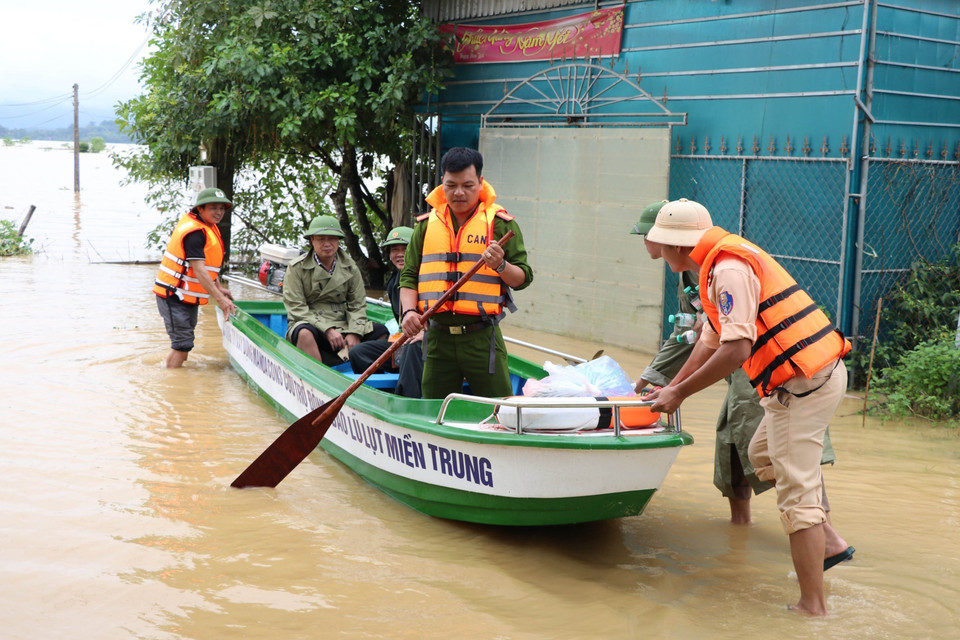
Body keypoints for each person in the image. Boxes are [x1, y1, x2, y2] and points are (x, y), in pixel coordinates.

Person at [643, 198, 854, 616]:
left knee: (796, 493)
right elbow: (708, 341)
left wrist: (680, 395)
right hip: (792, 384)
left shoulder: (728, 270)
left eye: (661, 243)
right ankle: (826, 540)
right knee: (760, 454)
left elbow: (736, 348)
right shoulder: (714, 265)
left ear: (678, 245)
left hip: (805, 383)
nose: (658, 250)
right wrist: (670, 384)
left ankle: (813, 606)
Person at [398, 147, 533, 399]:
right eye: (451, 185)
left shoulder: (501, 223)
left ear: (480, 183)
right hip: (437, 338)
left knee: (498, 411)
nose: (459, 192)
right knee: (434, 411)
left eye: (468, 185)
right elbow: (408, 277)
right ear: (442, 183)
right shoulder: (426, 225)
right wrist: (408, 312)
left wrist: (500, 265)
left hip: (481, 337)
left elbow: (523, 278)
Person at [283, 215, 388, 366]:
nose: (327, 244)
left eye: (332, 238)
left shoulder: (350, 267)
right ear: (312, 240)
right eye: (321, 239)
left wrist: (354, 332)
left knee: (380, 331)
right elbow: (296, 308)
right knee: (304, 334)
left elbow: (357, 305)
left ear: (338, 241)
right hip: (309, 322)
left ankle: (355, 366)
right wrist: (327, 330)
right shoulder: (296, 268)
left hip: (342, 322)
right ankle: (317, 377)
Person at [153, 187, 238, 368]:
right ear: (200, 208)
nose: (219, 212)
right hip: (174, 295)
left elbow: (207, 266)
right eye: (213, 207)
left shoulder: (207, 227)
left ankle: (176, 374)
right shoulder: (195, 233)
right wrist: (221, 300)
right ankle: (172, 383)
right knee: (182, 343)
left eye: (222, 208)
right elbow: (199, 270)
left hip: (185, 295)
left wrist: (219, 286)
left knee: (185, 342)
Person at [348, 227, 424, 398]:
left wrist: (426, 333)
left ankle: (407, 401)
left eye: (405, 249)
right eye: (394, 249)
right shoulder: (393, 281)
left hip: (426, 344)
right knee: (358, 353)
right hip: (405, 341)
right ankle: (379, 395)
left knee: (411, 349)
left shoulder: (426, 276)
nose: (400, 254)